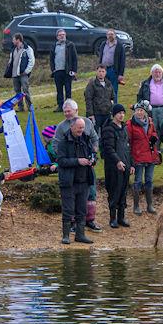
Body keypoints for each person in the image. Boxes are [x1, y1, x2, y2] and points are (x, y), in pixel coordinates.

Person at [52, 99, 102, 233]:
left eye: (69, 111)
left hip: (87, 166)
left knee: (91, 192)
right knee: (73, 195)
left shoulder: (88, 123)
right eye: (65, 112)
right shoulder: (61, 127)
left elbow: (95, 139)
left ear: (76, 110)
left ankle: (90, 220)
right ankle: (73, 223)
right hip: (71, 168)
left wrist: (93, 154)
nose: (67, 114)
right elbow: (55, 145)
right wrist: (65, 157)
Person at [56, 118, 95, 244]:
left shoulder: (86, 139)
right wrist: (78, 161)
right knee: (68, 209)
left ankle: (80, 235)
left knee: (82, 210)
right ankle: (66, 235)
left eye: (82, 128)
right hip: (69, 182)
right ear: (72, 127)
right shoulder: (63, 142)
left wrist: (92, 160)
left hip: (84, 181)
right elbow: (61, 161)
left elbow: (93, 154)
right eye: (79, 128)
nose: (81, 130)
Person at [101, 104, 133, 228]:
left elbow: (128, 148)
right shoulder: (108, 129)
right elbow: (108, 148)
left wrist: (131, 164)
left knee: (123, 191)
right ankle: (112, 218)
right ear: (114, 114)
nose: (121, 115)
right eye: (119, 113)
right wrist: (117, 161)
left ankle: (121, 217)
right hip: (113, 167)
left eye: (123, 113)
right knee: (114, 191)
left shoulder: (124, 128)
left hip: (125, 164)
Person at [127, 100, 159, 215]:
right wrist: (130, 159)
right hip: (138, 156)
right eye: (137, 110)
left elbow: (154, 132)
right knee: (138, 181)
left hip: (150, 156)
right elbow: (128, 142)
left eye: (141, 111)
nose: (139, 113)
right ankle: (136, 206)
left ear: (145, 112)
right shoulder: (130, 124)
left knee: (149, 180)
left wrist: (154, 137)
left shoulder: (150, 122)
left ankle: (150, 205)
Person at [137, 64, 163, 137]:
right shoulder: (145, 83)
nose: (157, 74)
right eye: (155, 72)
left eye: (159, 72)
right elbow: (140, 97)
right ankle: (155, 147)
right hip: (150, 110)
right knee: (153, 129)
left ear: (162, 73)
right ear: (151, 73)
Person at [4, 33, 35, 111]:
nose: (12, 41)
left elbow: (32, 61)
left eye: (13, 39)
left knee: (25, 90)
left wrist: (26, 71)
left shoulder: (27, 49)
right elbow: (11, 60)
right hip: (15, 74)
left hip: (23, 74)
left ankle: (30, 107)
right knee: (17, 92)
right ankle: (20, 107)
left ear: (18, 40)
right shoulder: (13, 49)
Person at [49, 29, 78, 113]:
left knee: (68, 89)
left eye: (63, 34)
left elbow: (74, 59)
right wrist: (53, 69)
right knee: (59, 90)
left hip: (67, 71)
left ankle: (69, 107)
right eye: (60, 35)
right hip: (57, 71)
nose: (62, 36)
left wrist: (74, 70)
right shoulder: (54, 46)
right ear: (57, 37)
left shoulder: (70, 45)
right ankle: (60, 106)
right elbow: (51, 59)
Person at [97, 29, 126, 99]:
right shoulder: (103, 44)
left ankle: (114, 108)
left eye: (112, 34)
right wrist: (99, 68)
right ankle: (105, 107)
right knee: (102, 89)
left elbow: (122, 60)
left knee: (113, 90)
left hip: (113, 70)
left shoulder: (119, 45)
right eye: (109, 34)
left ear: (115, 35)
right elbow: (101, 56)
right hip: (103, 70)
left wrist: (121, 74)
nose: (110, 36)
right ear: (107, 36)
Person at [84, 65, 115, 132]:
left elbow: (113, 97)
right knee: (94, 133)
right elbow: (88, 99)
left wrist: (111, 111)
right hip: (96, 114)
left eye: (103, 71)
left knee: (107, 133)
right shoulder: (91, 84)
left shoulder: (109, 84)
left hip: (107, 114)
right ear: (96, 72)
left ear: (105, 73)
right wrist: (90, 114)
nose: (101, 73)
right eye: (99, 71)